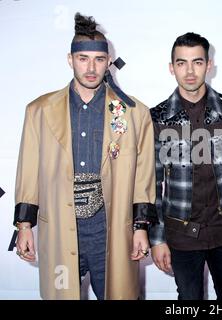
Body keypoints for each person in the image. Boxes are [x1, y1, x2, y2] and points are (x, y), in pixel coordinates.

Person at [11, 13, 157, 300]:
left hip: (112, 233)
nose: (91, 68)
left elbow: (143, 175)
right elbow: (28, 170)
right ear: (70, 59)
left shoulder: (133, 113)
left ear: (108, 62)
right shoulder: (39, 111)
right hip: (59, 233)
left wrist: (141, 228)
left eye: (99, 60)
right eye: (83, 59)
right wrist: (24, 226)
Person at [149, 32, 222, 300]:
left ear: (209, 66)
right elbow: (153, 182)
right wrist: (158, 238)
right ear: (171, 67)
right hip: (181, 235)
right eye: (181, 63)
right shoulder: (158, 117)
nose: (189, 71)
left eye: (197, 62)